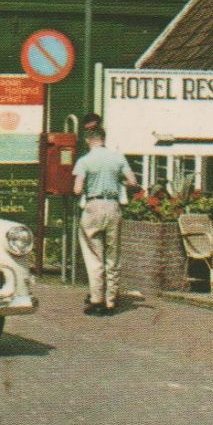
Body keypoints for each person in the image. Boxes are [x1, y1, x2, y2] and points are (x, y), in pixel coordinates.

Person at [72, 124, 138, 316]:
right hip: (113, 207)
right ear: (104, 138)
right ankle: (111, 301)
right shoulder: (117, 158)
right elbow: (132, 182)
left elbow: (77, 189)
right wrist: (119, 183)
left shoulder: (84, 161)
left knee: (94, 256)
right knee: (113, 255)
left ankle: (96, 300)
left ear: (88, 139)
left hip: (93, 207)